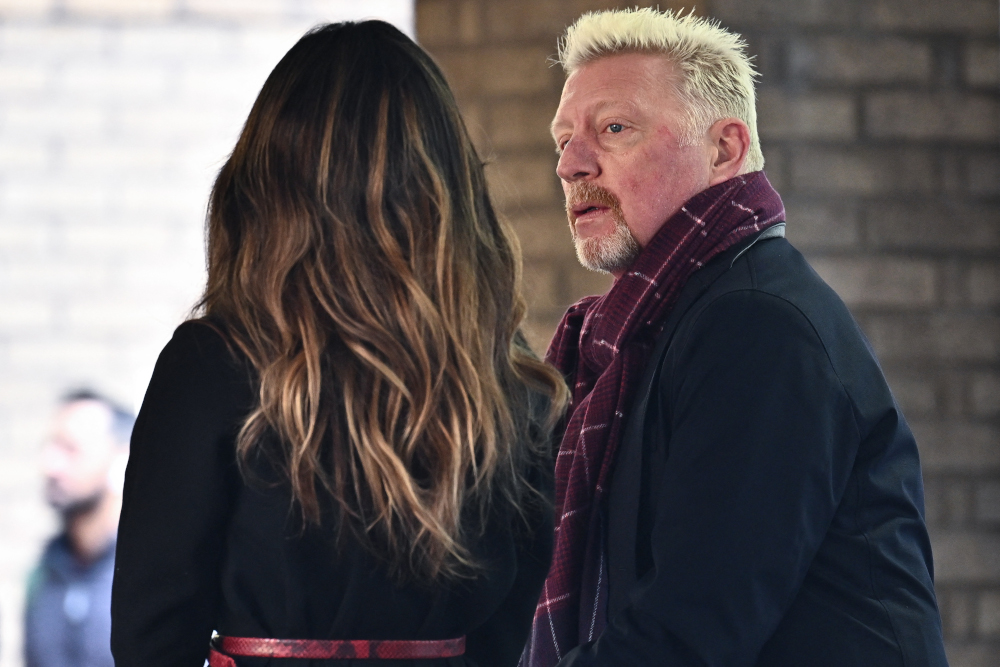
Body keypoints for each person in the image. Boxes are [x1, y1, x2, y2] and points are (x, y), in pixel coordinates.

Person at [110, 20, 567, 667]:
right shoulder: (506, 374)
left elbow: (150, 632)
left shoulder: (211, 365)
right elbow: (510, 624)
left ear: (269, 184)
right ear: (446, 186)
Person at [521, 8, 948, 667]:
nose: (572, 164)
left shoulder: (757, 327)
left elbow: (691, 636)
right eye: (563, 140)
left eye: (613, 129)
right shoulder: (640, 336)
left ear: (723, 149)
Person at [25, 390, 134, 667]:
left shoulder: (145, 573)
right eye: (50, 448)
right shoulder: (45, 570)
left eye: (70, 449)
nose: (50, 465)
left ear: (121, 461)